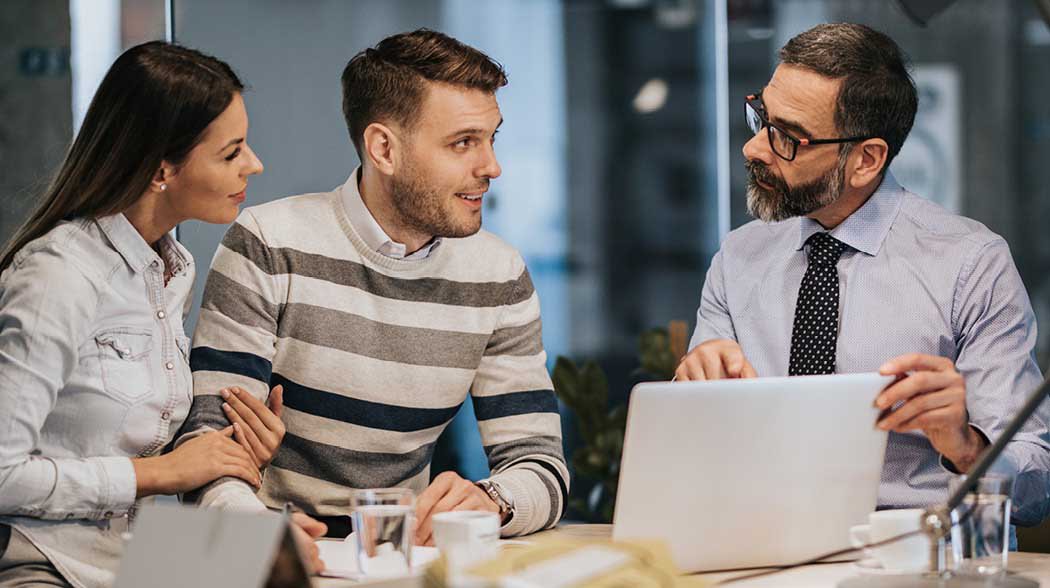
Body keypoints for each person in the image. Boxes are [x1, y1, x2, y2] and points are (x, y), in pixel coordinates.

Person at [179, 28, 569, 548]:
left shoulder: (497, 274)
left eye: (490, 138)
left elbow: (542, 467)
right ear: (383, 148)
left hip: (398, 558)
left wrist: (492, 501)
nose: (491, 168)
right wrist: (256, 536)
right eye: (463, 143)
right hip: (266, 555)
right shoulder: (270, 243)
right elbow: (206, 447)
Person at [676, 23, 1050, 524]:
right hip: (757, 545)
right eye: (761, 118)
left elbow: (1036, 485)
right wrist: (691, 396)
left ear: (866, 160)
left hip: (908, 554)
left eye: (787, 137)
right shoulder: (739, 257)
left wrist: (965, 445)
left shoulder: (970, 264)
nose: (755, 149)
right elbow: (698, 450)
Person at [0, 41, 291, 587]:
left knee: (295, 564)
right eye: (231, 153)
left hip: (142, 559)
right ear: (163, 170)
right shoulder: (58, 275)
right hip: (49, 563)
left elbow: (145, 439)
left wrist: (233, 449)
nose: (254, 163)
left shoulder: (170, 269)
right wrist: (160, 473)